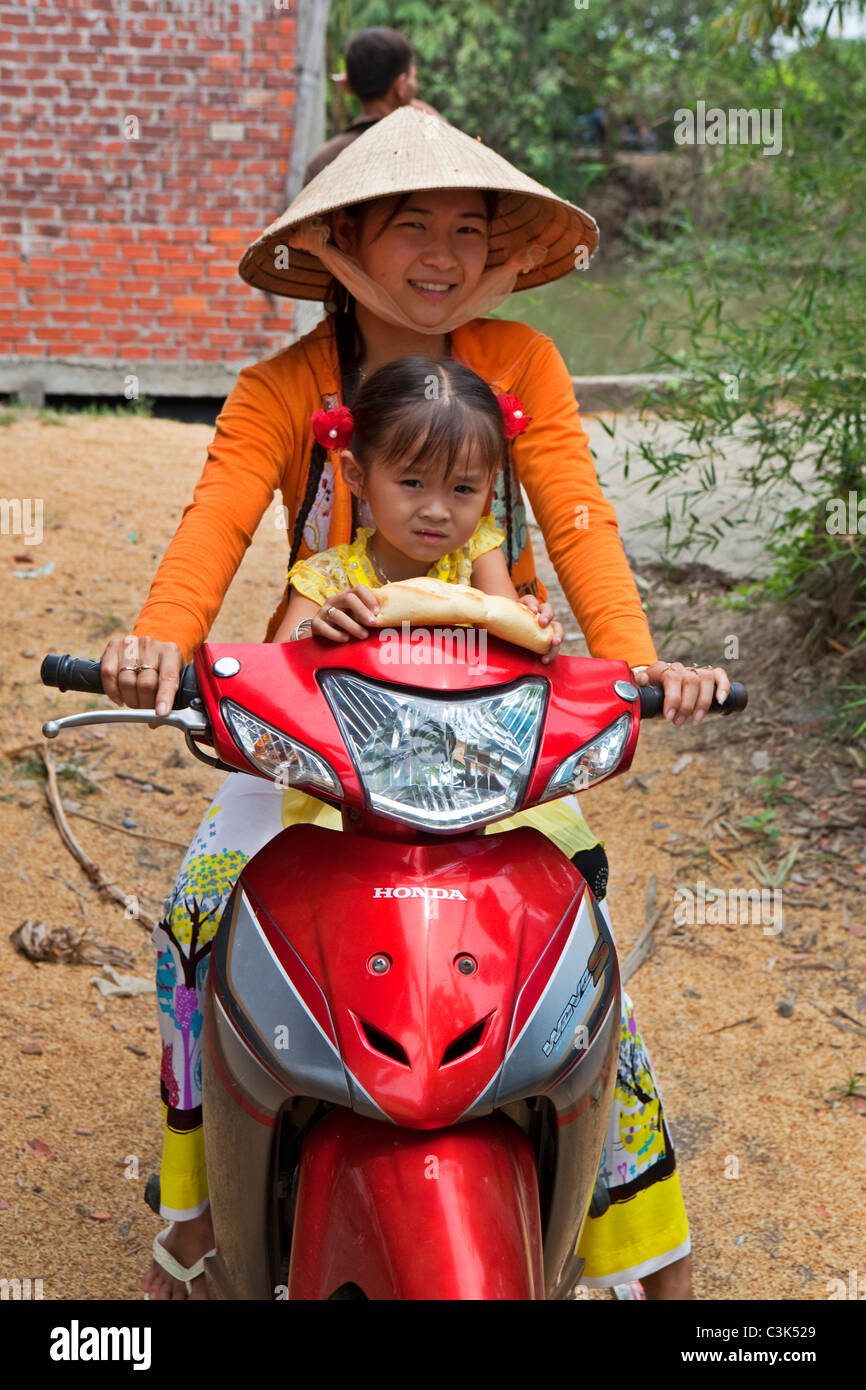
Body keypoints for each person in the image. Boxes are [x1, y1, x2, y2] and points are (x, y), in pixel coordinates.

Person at [101, 107, 731, 1300]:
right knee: (198, 919)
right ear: (342, 241)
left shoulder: (522, 365)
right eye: (409, 228)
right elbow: (217, 520)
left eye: (469, 231)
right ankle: (195, 1207)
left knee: (579, 969)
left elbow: (579, 519)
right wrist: (155, 646)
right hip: (314, 735)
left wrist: (641, 663)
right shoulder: (281, 387)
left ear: (501, 254)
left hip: (493, 737)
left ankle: (653, 1264)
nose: (443, 256)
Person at [273, 354, 562, 662]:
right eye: (413, 483)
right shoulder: (325, 578)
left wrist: (534, 628)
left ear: (489, 486)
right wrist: (314, 631)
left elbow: (512, 647)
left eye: (463, 488)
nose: (437, 511)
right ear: (358, 476)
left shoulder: (475, 553)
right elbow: (273, 666)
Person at [304, 26, 440, 186]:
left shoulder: (324, 160)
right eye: (413, 77)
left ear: (348, 88)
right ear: (401, 84)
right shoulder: (425, 149)